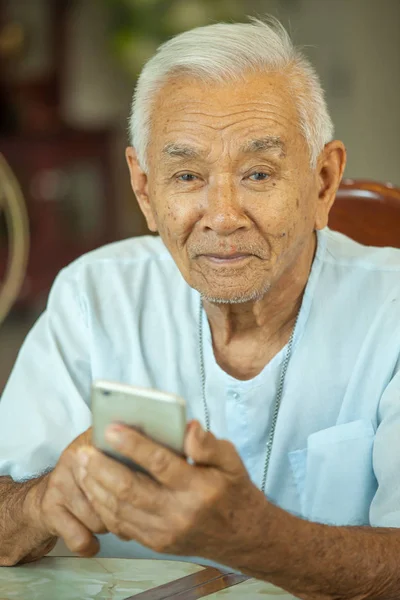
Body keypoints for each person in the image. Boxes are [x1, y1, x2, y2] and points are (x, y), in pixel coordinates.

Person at [1, 15, 400, 599]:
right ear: (145, 190)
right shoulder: (96, 295)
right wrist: (41, 501)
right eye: (187, 175)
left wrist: (256, 537)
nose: (222, 215)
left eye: (258, 173)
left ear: (322, 182)